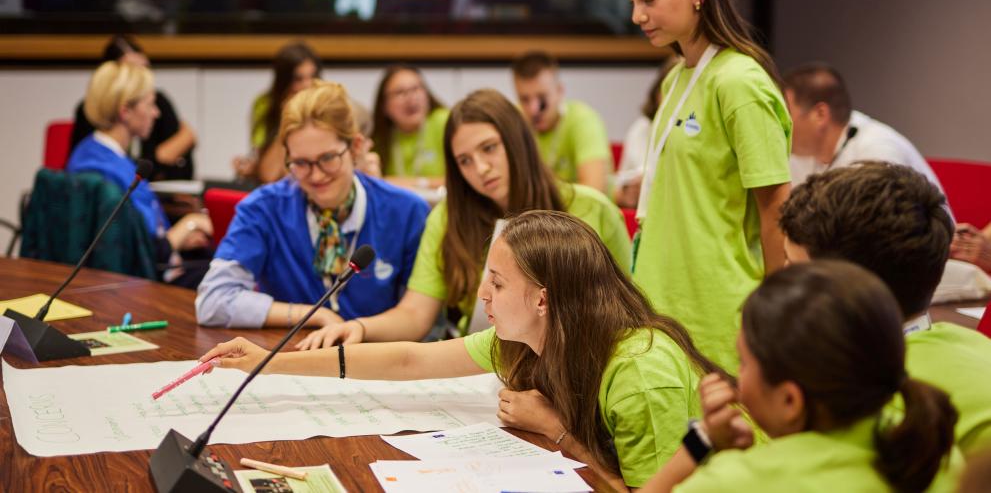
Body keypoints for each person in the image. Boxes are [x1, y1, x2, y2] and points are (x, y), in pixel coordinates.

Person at [202, 210, 722, 489]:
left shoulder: (642, 374)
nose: (482, 297)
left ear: (543, 298)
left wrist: (555, 429)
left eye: (496, 283)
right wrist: (268, 364)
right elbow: (410, 359)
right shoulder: (530, 341)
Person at [296, 88, 631, 348]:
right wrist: (360, 327)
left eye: (489, 149)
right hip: (478, 369)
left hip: (572, 371)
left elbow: (624, 316)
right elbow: (416, 314)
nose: (480, 169)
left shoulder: (591, 209)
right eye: (464, 161)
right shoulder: (448, 217)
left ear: (517, 141)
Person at [622, 0, 792, 372]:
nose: (637, 15)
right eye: (633, 1)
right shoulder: (675, 79)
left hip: (720, 309)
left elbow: (776, 204)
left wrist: (775, 315)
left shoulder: (740, 82)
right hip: (661, 300)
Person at [642, 261, 960, 493]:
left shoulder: (735, 482)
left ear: (790, 400)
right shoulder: (933, 454)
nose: (735, 377)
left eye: (743, 363)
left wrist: (702, 442)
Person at [778, 161, 991, 456]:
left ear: (850, 290)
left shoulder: (865, 404)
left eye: (792, 264)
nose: (781, 278)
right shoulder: (976, 346)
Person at [196, 81, 430, 329]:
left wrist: (355, 332)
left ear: (356, 148)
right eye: (301, 163)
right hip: (293, 355)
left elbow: (418, 318)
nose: (316, 176)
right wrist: (311, 315)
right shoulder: (264, 208)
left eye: (328, 158)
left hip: (376, 356)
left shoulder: (406, 211)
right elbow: (212, 301)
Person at [66, 61, 213, 287]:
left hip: (157, 266)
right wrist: (189, 225)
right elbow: (137, 254)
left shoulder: (96, 154)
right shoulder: (103, 173)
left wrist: (177, 238)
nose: (156, 113)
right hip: (143, 282)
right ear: (125, 111)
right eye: (151, 104)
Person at [783, 63, 944, 190]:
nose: (780, 124)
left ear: (820, 114)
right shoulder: (798, 156)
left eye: (786, 114)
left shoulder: (879, 152)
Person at [69, 34, 196, 181]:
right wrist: (162, 156)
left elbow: (183, 168)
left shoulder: (159, 103)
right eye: (132, 72)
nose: (156, 113)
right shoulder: (99, 163)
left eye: (145, 70)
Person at [511, 51, 611, 194]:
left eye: (542, 97)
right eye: (525, 100)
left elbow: (594, 192)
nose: (534, 109)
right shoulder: (514, 121)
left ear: (559, 91)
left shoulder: (583, 120)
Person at [235, 40, 321, 183]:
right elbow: (269, 175)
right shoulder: (265, 104)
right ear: (283, 82)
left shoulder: (327, 106)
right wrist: (287, 119)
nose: (307, 85)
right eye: (298, 79)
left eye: (312, 77)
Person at [370, 64, 449, 188]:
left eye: (416, 89)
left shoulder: (444, 122)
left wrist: (416, 183)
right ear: (384, 105)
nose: (411, 98)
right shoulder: (379, 138)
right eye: (400, 92)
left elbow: (462, 179)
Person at [615, 55, 679, 208]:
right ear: (657, 92)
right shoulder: (641, 128)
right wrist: (628, 191)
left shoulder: (694, 129)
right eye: (667, 89)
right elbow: (617, 191)